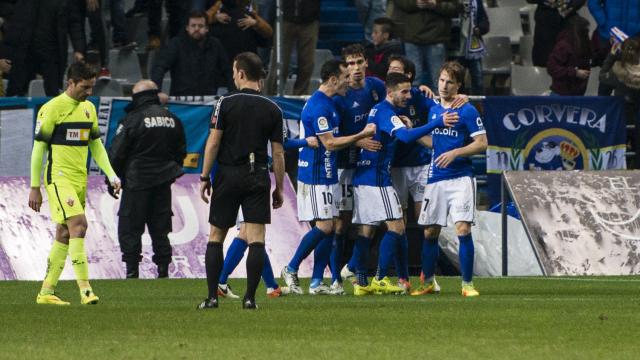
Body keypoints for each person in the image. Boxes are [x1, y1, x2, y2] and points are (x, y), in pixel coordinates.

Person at [350, 72, 455, 296]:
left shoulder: (381, 110)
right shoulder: (386, 112)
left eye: (410, 90)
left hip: (364, 176)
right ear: (390, 92)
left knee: (366, 230)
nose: (408, 96)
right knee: (397, 227)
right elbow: (406, 138)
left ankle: (360, 282)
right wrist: (436, 122)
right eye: (404, 92)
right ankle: (379, 278)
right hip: (377, 179)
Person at [197, 51, 285, 310]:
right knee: (256, 239)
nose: (234, 76)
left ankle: (212, 297)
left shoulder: (224, 103)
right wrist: (279, 187)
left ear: (242, 73)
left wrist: (204, 176)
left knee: (216, 236)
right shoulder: (273, 108)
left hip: (228, 173)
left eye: (235, 72)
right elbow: (278, 153)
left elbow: (213, 142)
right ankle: (250, 298)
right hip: (257, 175)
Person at [280, 59, 377, 295]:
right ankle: (291, 267)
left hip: (328, 173)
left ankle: (316, 282)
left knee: (330, 227)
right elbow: (330, 143)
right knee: (324, 227)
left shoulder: (330, 103)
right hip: (315, 175)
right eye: (344, 77)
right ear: (333, 80)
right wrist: (360, 135)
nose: (349, 82)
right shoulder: (319, 106)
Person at [28, 61, 121, 305]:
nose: (89, 93)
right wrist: (34, 186)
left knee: (64, 232)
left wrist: (111, 174)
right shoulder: (52, 109)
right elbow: (38, 150)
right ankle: (85, 289)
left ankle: (46, 292)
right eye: (84, 87)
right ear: (70, 83)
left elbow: (96, 145)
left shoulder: (88, 109)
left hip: (80, 178)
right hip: (58, 177)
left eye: (91, 88)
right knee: (79, 224)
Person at [412, 61, 487, 297]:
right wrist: (414, 134)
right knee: (430, 232)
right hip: (436, 178)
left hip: (461, 178)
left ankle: (467, 285)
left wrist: (456, 152)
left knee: (463, 229)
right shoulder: (433, 107)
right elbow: (435, 143)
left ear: (459, 85)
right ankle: (429, 282)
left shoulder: (466, 110)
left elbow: (482, 143)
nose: (444, 86)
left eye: (450, 82)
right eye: (442, 80)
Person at [107, 80, 186, 279]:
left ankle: (132, 272)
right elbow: (181, 152)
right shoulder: (172, 118)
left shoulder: (131, 120)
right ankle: (163, 271)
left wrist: (113, 179)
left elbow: (117, 153)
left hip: (136, 182)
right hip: (163, 182)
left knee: (130, 226)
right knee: (160, 228)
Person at [332, 44, 384, 289]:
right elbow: (332, 136)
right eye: (350, 64)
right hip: (344, 165)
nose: (356, 68)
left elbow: (394, 103)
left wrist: (423, 91)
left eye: (359, 62)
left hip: (368, 165)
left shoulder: (376, 87)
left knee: (372, 220)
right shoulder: (340, 96)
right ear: (345, 67)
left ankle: (351, 266)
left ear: (366, 64)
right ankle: (333, 277)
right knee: (341, 223)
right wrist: (358, 139)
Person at [4, 0, 85, 96]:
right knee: (15, 91)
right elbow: (13, 22)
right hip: (25, 50)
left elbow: (74, 22)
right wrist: (4, 54)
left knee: (53, 92)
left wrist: (78, 49)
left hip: (52, 51)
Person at [151, 10, 233, 96]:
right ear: (187, 28)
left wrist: (234, 95)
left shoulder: (215, 44)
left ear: (207, 29)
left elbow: (227, 70)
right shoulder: (176, 44)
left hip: (208, 100)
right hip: (180, 100)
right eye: (193, 26)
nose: (197, 29)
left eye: (200, 26)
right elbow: (159, 67)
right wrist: (156, 92)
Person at [393, 0, 463, 90]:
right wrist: (415, 3)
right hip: (412, 38)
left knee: (439, 81)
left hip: (437, 38)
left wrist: (436, 5)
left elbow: (456, 7)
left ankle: (438, 104)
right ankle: (413, 103)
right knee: (413, 80)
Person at [599, 36, 640, 168]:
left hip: (624, 115)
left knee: (623, 142)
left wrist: (611, 56)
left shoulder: (618, 72)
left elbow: (602, 76)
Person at [264, 0, 320, 95]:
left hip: (310, 19)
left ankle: (300, 96)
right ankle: (272, 95)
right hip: (284, 18)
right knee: (280, 63)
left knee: (307, 63)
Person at [547, 15, 593, 96]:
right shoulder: (563, 46)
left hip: (577, 92)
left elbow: (594, 57)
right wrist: (575, 72)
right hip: (561, 93)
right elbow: (552, 68)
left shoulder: (584, 44)